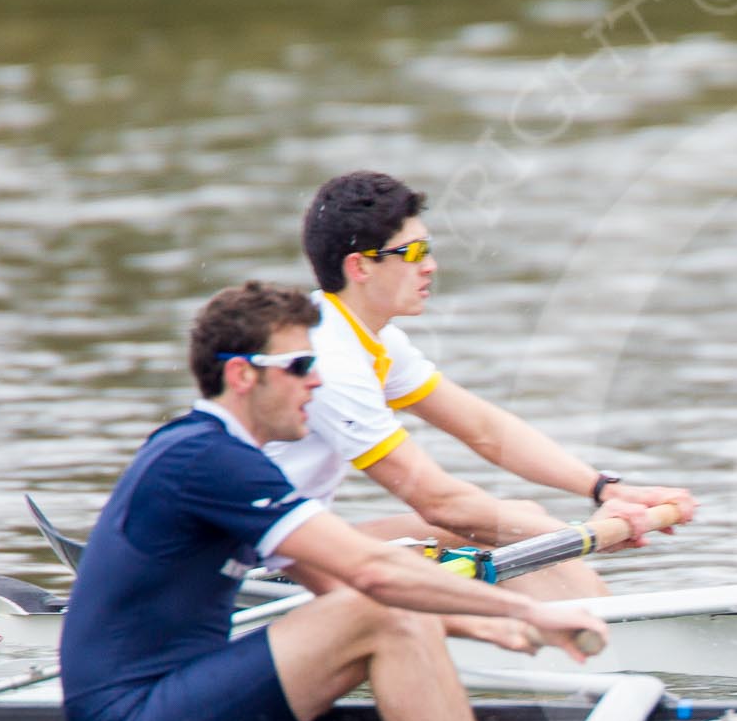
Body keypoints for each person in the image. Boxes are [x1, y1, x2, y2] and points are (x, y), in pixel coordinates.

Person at [61, 282, 618, 721]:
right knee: (382, 608)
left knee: (388, 603)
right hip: (127, 719)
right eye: (301, 364)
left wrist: (476, 624)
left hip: (174, 691)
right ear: (241, 375)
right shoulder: (205, 460)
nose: (318, 379)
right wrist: (531, 613)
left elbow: (328, 579)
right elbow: (372, 573)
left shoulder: (223, 454)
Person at [264, 171, 697, 600]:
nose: (430, 265)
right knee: (499, 531)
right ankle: (597, 640)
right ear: (359, 267)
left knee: (518, 519)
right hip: (245, 569)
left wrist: (603, 488)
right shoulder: (330, 362)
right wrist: (585, 534)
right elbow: (440, 503)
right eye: (412, 253)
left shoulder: (369, 339)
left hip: (290, 544)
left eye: (428, 250)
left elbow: (485, 430)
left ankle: (591, 626)